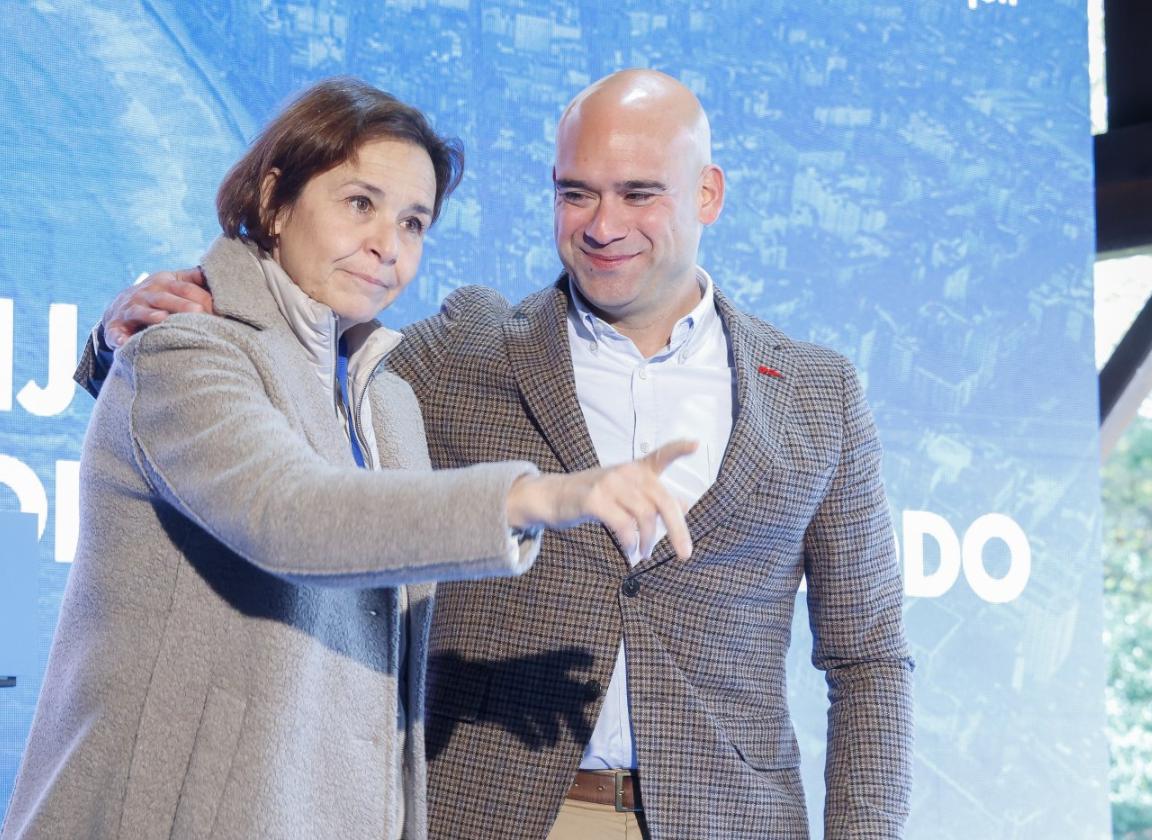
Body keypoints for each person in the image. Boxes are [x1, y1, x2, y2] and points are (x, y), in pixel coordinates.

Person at [78, 69, 913, 839]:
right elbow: (285, 411)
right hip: (486, 814)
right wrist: (116, 346)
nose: (603, 225)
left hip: (730, 819)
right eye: (576, 193)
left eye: (638, 194)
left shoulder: (816, 393)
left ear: (708, 193)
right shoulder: (466, 350)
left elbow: (869, 655)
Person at [2, 77, 695, 840]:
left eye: (413, 222)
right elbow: (289, 511)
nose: (386, 245)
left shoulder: (387, 396)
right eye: (359, 204)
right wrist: (538, 498)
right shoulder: (186, 349)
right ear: (273, 200)